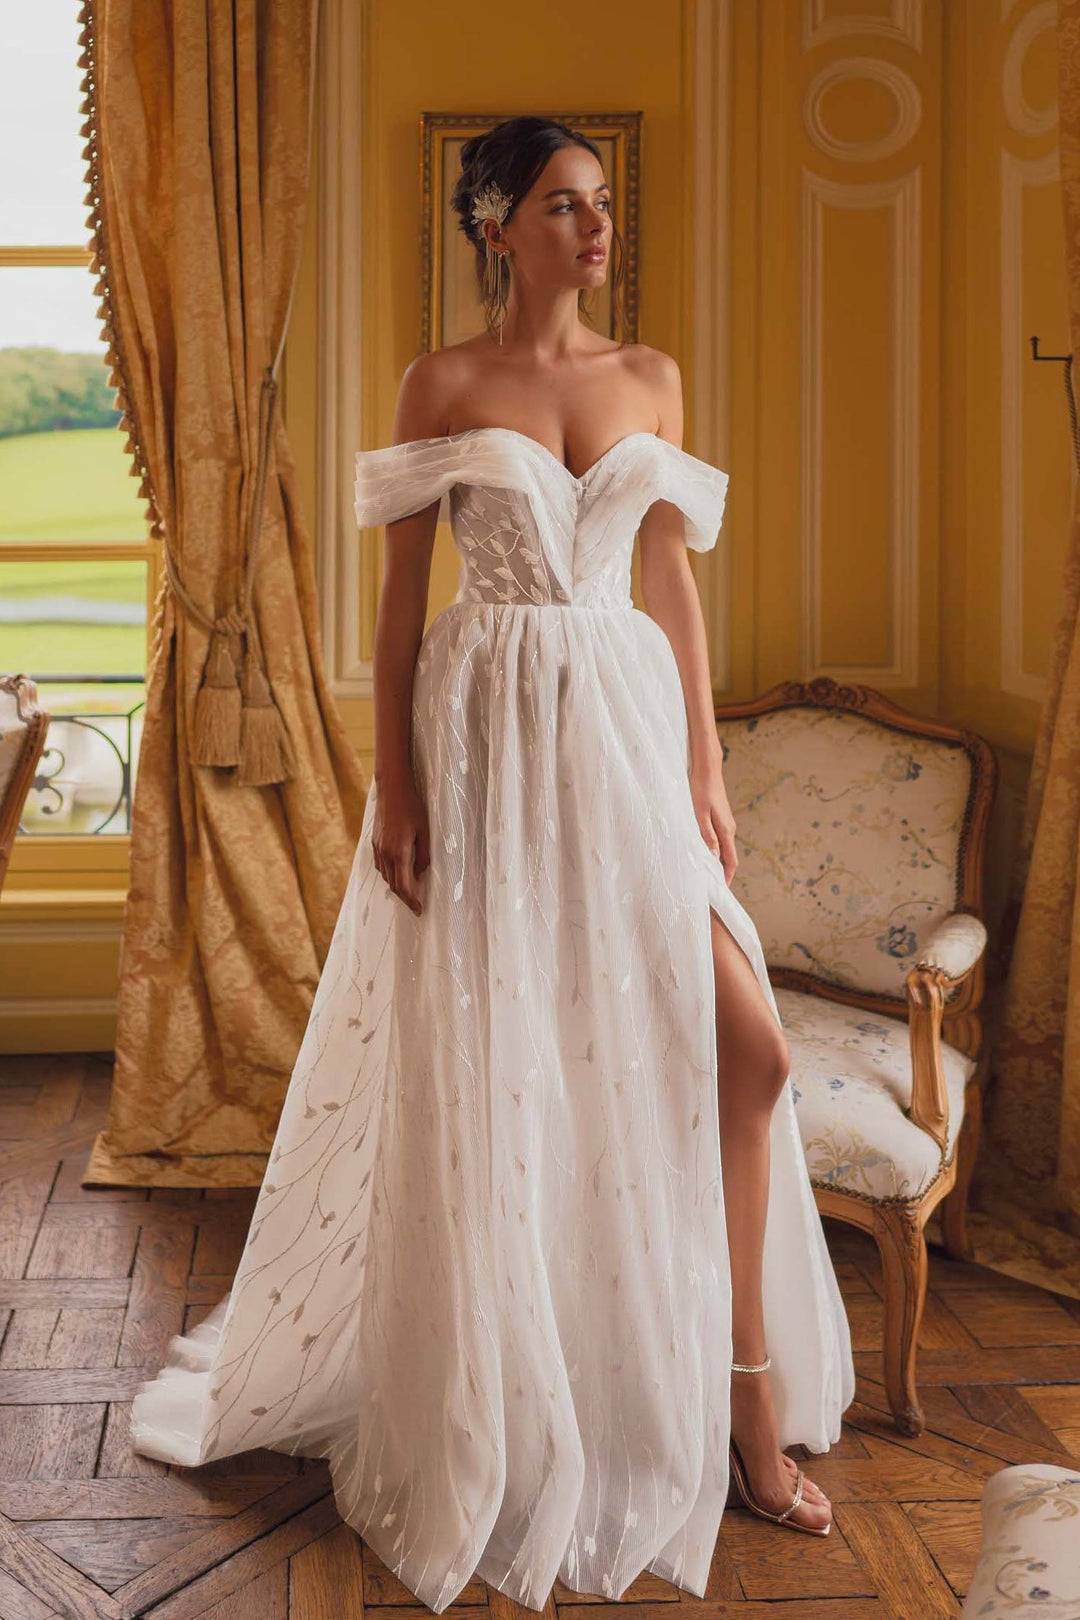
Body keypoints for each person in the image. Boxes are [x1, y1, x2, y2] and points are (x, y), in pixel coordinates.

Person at [130, 115, 855, 1614]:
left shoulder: (648, 377)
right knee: (517, 1061)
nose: (595, 228)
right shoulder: (443, 384)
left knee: (749, 1057)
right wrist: (395, 783)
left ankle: (735, 1399)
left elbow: (668, 577)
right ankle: (552, 1402)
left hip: (628, 736)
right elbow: (400, 609)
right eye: (561, 205)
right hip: (488, 744)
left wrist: (706, 764)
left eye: (602, 204)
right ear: (492, 228)